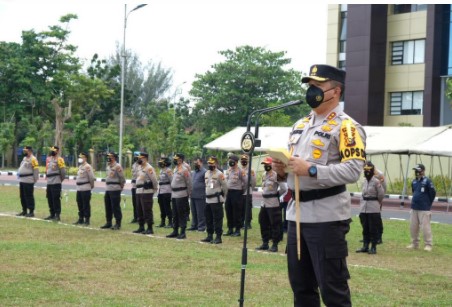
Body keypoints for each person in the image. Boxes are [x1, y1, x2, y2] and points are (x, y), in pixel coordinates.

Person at [273, 64, 366, 307]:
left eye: (317, 86)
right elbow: (294, 169)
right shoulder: (300, 126)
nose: (310, 90)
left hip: (327, 218)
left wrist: (311, 170)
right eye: (309, 86)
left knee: (332, 290)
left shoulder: (347, 127)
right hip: (297, 215)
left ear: (335, 91)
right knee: (301, 288)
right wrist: (282, 171)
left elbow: (354, 171)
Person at [256, 157, 287, 252]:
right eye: (264, 165)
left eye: (267, 164)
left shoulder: (276, 175)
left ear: (271, 165)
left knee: (275, 224)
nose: (266, 166)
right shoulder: (264, 174)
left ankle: (275, 244)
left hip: (273, 202)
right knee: (263, 221)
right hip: (264, 202)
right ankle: (265, 242)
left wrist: (276, 195)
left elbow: (284, 188)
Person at [356, 161, 384, 254]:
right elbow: (363, 194)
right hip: (364, 208)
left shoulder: (376, 182)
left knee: (373, 229)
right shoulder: (364, 181)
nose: (367, 172)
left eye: (369, 170)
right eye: (365, 170)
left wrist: (376, 204)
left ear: (372, 171)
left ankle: (373, 247)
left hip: (373, 208)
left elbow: (381, 195)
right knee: (365, 228)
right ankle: (365, 246)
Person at [407, 163, 436, 252]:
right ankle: (414, 243)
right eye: (416, 170)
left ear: (423, 171)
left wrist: (427, 204)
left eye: (418, 170)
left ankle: (428, 244)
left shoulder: (427, 181)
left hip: (424, 208)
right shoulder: (414, 181)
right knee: (413, 227)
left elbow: (433, 193)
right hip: (414, 207)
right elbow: (414, 192)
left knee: (425, 227)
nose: (417, 172)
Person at [201, 156, 228, 244]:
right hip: (208, 200)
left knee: (217, 219)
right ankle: (209, 235)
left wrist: (223, 197)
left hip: (216, 200)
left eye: (212, 163)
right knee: (208, 218)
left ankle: (218, 237)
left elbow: (225, 187)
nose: (210, 165)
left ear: (216, 164)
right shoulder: (206, 173)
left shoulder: (220, 174)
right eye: (209, 163)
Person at [167, 153, 192, 239]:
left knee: (181, 213)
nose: (175, 160)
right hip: (174, 194)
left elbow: (189, 183)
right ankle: (175, 230)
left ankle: (182, 232)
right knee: (175, 214)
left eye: (176, 159)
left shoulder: (184, 170)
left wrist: (188, 193)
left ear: (180, 160)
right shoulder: (175, 169)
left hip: (181, 194)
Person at [133, 152, 159, 235]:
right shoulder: (139, 167)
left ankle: (149, 228)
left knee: (147, 210)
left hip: (146, 191)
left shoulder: (149, 168)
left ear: (146, 159)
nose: (139, 159)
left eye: (141, 158)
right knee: (139, 209)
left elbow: (154, 180)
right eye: (139, 158)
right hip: (139, 190)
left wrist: (155, 189)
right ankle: (141, 226)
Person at [100, 152, 125, 230]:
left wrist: (121, 186)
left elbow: (122, 178)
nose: (108, 158)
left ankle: (118, 223)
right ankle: (108, 222)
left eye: (109, 157)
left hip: (115, 188)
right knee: (108, 206)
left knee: (115, 206)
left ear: (113, 157)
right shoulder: (108, 166)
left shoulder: (117, 166)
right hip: (108, 188)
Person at [224, 154, 246, 237]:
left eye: (232, 161)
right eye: (229, 161)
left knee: (237, 212)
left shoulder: (240, 171)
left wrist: (241, 190)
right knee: (228, 210)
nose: (230, 162)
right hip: (229, 193)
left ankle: (237, 230)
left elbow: (246, 182)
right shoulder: (229, 170)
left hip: (237, 193)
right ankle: (230, 229)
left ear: (236, 162)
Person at [44, 146, 66, 221]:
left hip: (56, 181)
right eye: (51, 150)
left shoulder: (60, 160)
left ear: (57, 151)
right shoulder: (50, 159)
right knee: (49, 198)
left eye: (54, 150)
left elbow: (63, 172)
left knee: (56, 199)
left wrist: (60, 180)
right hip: (49, 182)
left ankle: (57, 215)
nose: (52, 152)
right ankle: (52, 214)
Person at [17, 146, 39, 217]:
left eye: (26, 151)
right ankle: (24, 210)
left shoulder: (33, 159)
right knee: (22, 196)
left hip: (28, 180)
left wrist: (35, 179)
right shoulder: (24, 158)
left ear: (29, 151)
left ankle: (31, 211)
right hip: (22, 180)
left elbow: (36, 170)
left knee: (29, 196)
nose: (24, 152)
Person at [74, 152, 95, 226]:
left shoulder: (87, 166)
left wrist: (91, 186)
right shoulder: (80, 167)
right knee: (80, 204)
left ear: (85, 158)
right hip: (79, 188)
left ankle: (87, 219)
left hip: (85, 188)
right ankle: (81, 218)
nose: (80, 159)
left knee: (85, 204)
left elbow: (91, 178)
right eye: (80, 157)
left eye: (82, 157)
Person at [189, 157, 207, 231]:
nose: (195, 164)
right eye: (194, 163)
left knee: (200, 212)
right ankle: (194, 225)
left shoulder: (205, 172)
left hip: (200, 195)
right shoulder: (194, 172)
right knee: (194, 212)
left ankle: (201, 226)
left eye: (197, 162)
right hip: (193, 195)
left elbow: (207, 183)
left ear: (201, 162)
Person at [240, 154, 256, 230]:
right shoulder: (239, 169)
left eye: (245, 161)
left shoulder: (251, 170)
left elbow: (253, 182)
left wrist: (250, 189)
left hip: (248, 191)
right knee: (241, 208)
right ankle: (242, 222)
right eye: (242, 161)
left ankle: (248, 223)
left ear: (248, 161)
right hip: (240, 191)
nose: (243, 162)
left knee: (248, 208)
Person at [157, 157, 173, 228]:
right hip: (160, 190)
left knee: (167, 207)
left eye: (162, 161)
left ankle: (170, 222)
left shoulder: (168, 170)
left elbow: (172, 180)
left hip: (167, 191)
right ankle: (162, 221)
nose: (160, 163)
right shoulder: (161, 170)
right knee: (161, 207)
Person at [374, 167, 386, 244]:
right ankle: (370, 236)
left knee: (377, 218)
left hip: (377, 198)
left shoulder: (379, 173)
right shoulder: (368, 173)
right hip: (370, 199)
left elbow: (383, 179)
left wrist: (376, 181)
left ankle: (379, 237)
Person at [130, 153, 139, 223]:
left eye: (137, 157)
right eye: (135, 156)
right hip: (133, 186)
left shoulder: (141, 166)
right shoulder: (133, 165)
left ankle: (140, 217)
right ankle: (135, 217)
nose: (135, 158)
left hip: (139, 186)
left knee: (139, 204)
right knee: (134, 203)